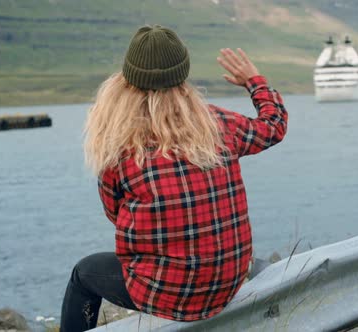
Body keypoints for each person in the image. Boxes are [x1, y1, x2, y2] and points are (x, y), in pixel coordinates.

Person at [60, 25, 288, 331]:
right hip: (227, 284)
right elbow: (274, 126)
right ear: (183, 74)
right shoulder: (220, 124)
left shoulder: (120, 144)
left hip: (165, 294)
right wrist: (254, 82)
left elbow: (115, 215)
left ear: (129, 79)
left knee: (83, 274)